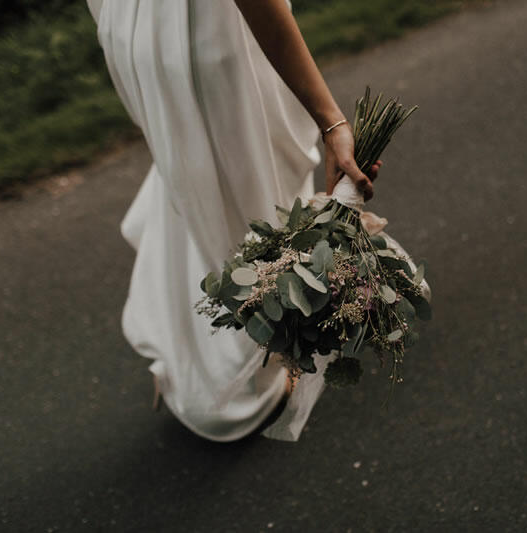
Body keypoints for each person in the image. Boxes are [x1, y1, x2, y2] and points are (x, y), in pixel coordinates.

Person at [85, 0, 381, 441]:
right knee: (247, 209)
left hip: (133, 33)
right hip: (206, 40)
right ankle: (240, 378)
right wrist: (331, 121)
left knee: (195, 191)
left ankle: (185, 355)